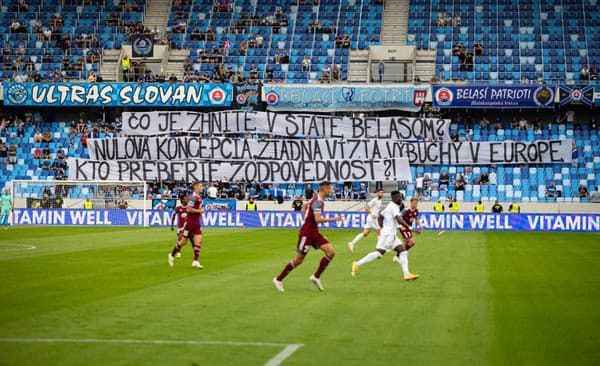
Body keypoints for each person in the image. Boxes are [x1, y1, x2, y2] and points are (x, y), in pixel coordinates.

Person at [273, 181, 342, 292]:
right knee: (298, 260)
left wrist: (305, 218)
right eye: (330, 189)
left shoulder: (315, 199)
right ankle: (278, 279)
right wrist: (334, 219)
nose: (331, 191)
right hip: (307, 233)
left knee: (331, 252)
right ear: (324, 190)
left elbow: (304, 206)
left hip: (314, 232)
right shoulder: (318, 202)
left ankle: (316, 276)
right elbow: (318, 219)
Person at [351, 195, 422, 281]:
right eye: (399, 198)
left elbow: (380, 216)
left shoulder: (390, 206)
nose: (400, 200)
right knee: (379, 254)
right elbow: (399, 219)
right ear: (394, 199)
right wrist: (411, 229)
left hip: (392, 235)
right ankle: (356, 264)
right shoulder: (393, 207)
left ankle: (406, 274)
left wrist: (381, 227)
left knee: (403, 252)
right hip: (387, 235)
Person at [169, 181, 205, 269]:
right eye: (201, 186)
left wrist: (200, 215)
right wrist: (200, 211)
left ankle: (195, 261)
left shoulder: (199, 197)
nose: (202, 188)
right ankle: (171, 255)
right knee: (183, 241)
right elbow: (189, 209)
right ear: (196, 187)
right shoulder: (193, 198)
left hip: (196, 223)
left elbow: (198, 209)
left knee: (199, 240)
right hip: (190, 222)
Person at [347, 188, 384, 253]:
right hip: (372, 219)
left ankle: (352, 243)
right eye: (380, 192)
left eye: (382, 192)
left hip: (371, 219)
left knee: (365, 233)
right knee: (379, 231)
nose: (382, 194)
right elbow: (367, 207)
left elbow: (376, 209)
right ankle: (380, 248)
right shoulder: (374, 200)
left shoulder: (380, 200)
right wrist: (372, 213)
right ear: (377, 193)